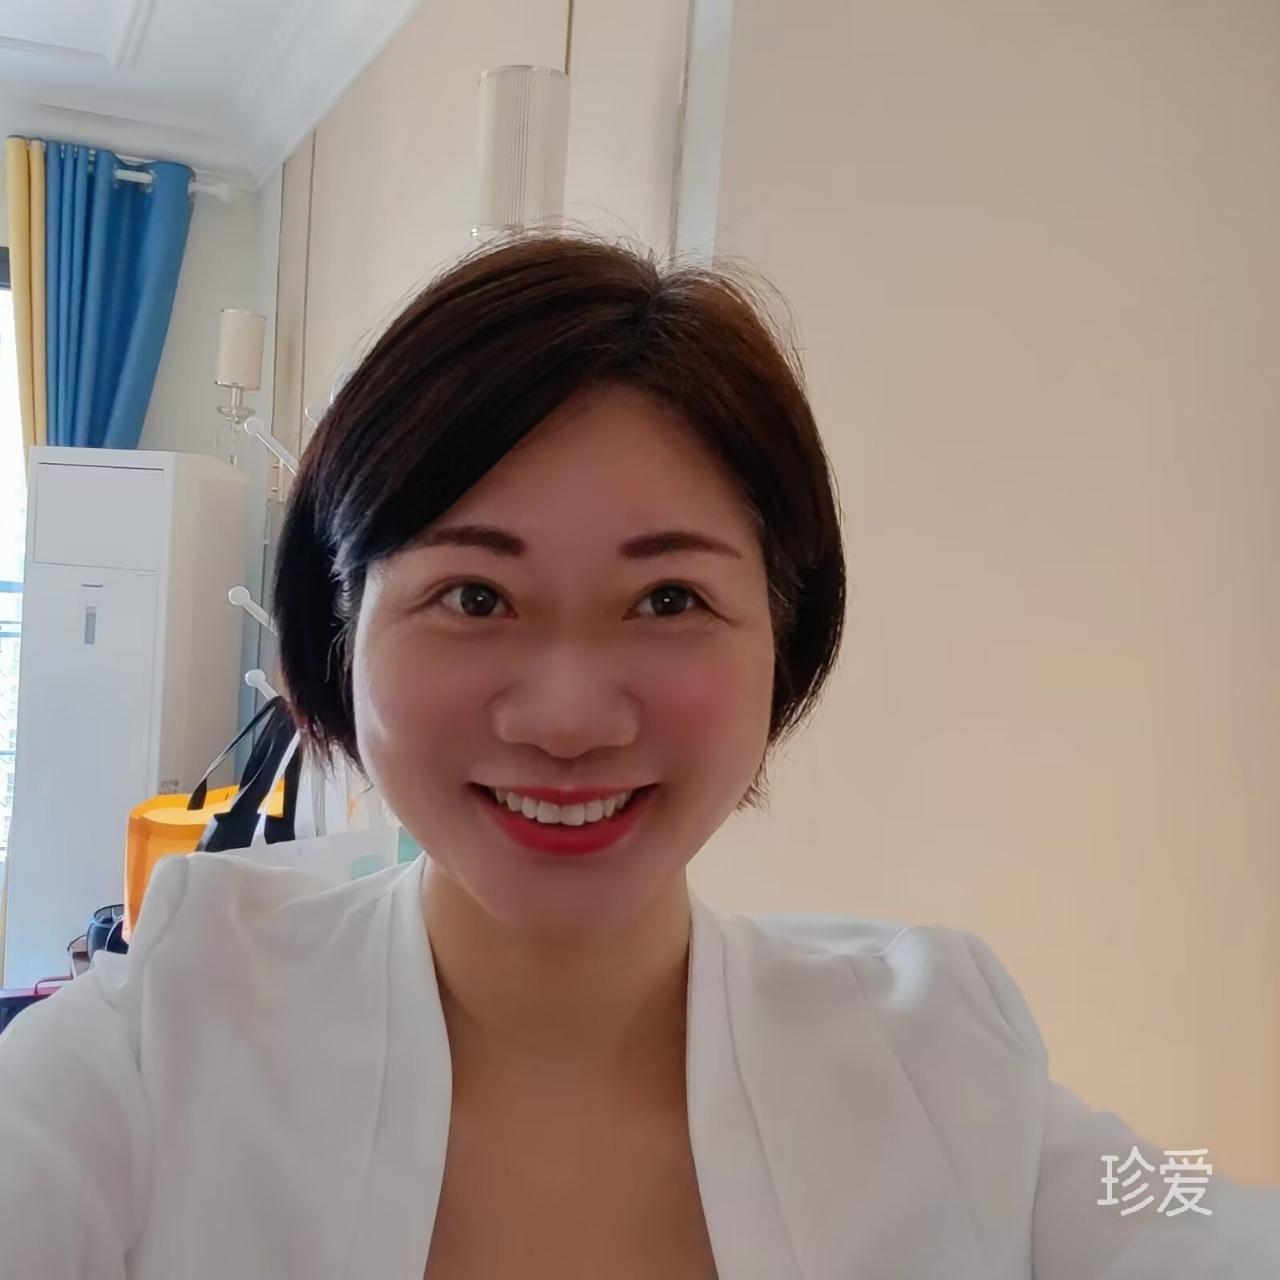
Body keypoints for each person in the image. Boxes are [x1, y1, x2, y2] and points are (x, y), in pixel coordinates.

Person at [0, 234, 1276, 1278]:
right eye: (474, 596)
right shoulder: (170, 1036)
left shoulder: (935, 1059)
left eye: (668, 599)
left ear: (784, 638)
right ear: (341, 631)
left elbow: (1173, 1209)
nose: (567, 718)